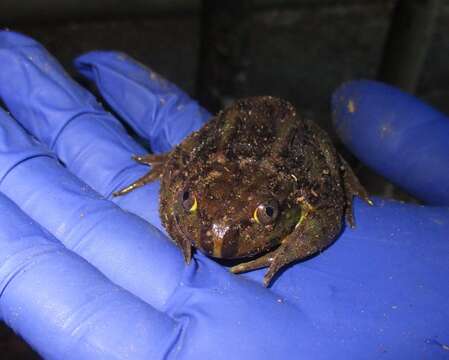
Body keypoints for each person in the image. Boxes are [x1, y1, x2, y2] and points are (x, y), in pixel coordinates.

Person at [0, 31, 447, 359]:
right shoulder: (195, 176)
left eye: (265, 214)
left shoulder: (299, 193)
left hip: (285, 152)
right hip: (233, 139)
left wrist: (288, 249)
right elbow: (179, 170)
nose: (217, 236)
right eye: (194, 206)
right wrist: (177, 196)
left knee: (310, 151)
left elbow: (325, 209)